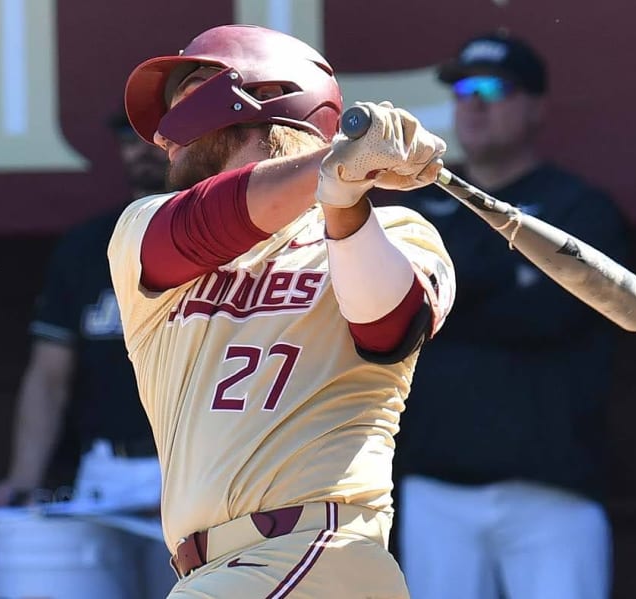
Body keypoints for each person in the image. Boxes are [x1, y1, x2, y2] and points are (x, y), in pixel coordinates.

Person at [108, 24, 456, 599]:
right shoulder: (142, 226)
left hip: (316, 550)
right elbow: (203, 226)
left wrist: (344, 201)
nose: (164, 137)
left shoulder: (398, 229)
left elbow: (389, 328)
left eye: (188, 94)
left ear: (265, 96)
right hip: (211, 570)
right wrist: (337, 165)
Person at [385, 31, 627, 599]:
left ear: (537, 106)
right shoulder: (418, 209)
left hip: (552, 489)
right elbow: (392, 318)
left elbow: (549, 317)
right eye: (463, 87)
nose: (474, 101)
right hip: (434, 484)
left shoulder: (579, 209)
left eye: (495, 87)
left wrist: (454, 290)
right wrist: (504, 276)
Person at [0, 112, 178, 598]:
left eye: (153, 140)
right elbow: (49, 375)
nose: (140, 150)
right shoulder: (87, 247)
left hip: (193, 467)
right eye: (128, 141)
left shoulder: (227, 240)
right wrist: (25, 477)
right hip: (107, 470)